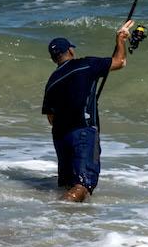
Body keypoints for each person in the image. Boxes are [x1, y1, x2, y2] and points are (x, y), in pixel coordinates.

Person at [42, 20, 134, 202]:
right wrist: (121, 40)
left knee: (68, 185)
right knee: (82, 186)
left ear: (54, 58)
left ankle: (63, 225)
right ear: (70, 51)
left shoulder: (51, 82)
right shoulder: (86, 64)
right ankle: (54, 214)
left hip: (60, 137)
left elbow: (51, 118)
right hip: (82, 132)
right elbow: (120, 62)